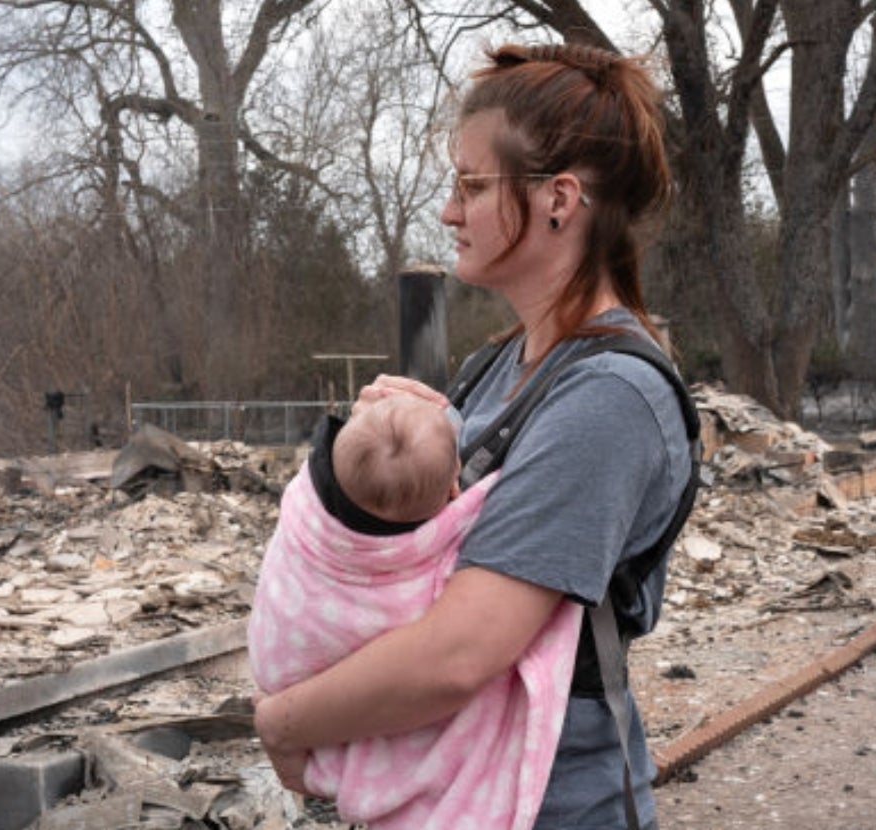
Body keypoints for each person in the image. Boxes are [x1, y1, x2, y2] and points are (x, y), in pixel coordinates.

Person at [254, 42, 692, 830]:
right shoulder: (495, 367)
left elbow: (461, 655)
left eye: (472, 186)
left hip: (549, 809)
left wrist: (282, 723)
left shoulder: (608, 399)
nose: (450, 211)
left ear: (559, 199)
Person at [248, 394, 583, 829]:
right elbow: (494, 503)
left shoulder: (306, 503)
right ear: (453, 485)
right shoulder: (448, 532)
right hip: (321, 696)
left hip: (281, 669)